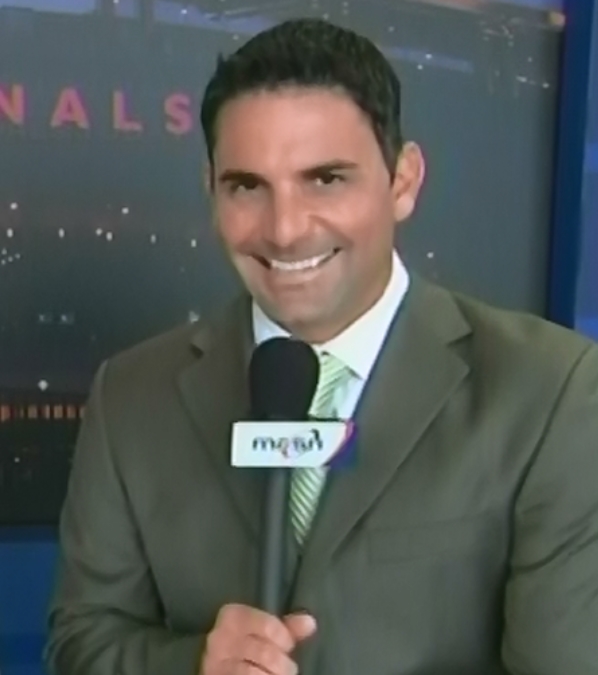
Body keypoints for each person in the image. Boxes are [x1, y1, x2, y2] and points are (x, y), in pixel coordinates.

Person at [44, 17, 598, 675]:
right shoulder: (131, 395)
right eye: (247, 186)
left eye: (325, 179)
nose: (284, 229)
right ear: (211, 189)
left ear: (403, 181)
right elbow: (81, 641)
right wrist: (193, 663)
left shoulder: (549, 391)